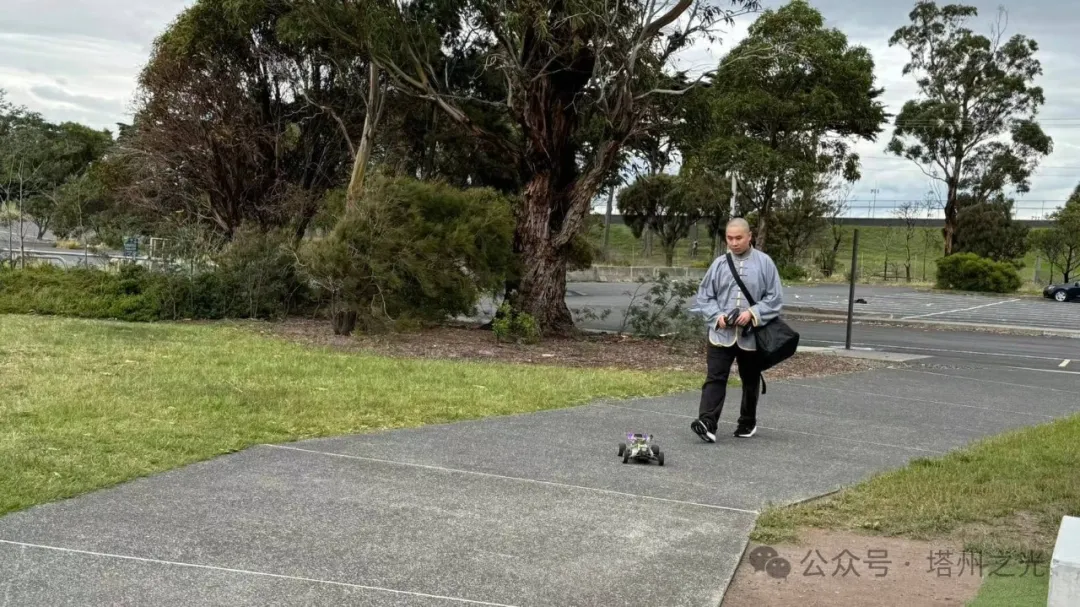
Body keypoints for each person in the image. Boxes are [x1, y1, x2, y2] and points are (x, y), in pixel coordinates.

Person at [688, 218, 783, 441]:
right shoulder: (719, 264)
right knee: (715, 377)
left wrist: (753, 313)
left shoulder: (765, 263)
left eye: (738, 238)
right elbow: (705, 296)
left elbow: (775, 298)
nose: (734, 243)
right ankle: (707, 422)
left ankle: (747, 422)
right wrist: (717, 316)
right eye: (729, 238)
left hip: (752, 336)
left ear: (750, 237)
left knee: (750, 379)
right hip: (721, 334)